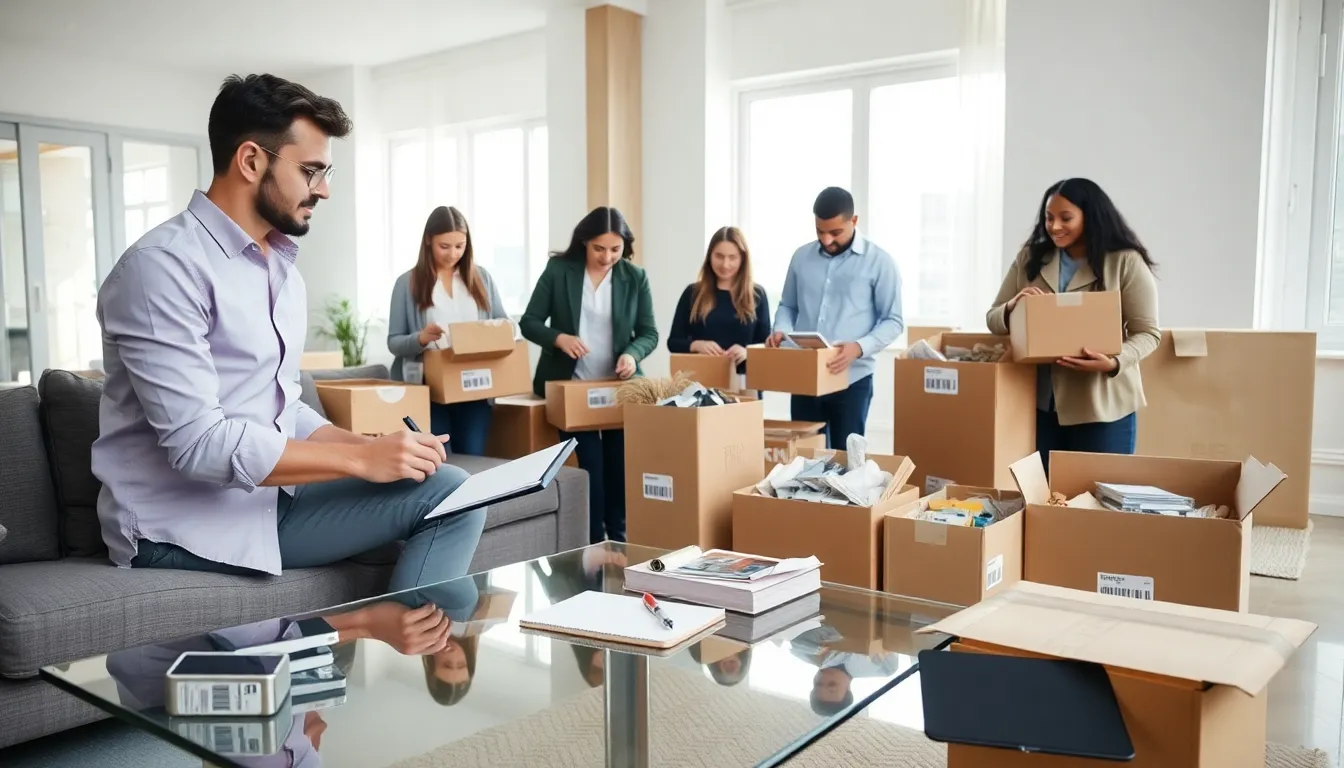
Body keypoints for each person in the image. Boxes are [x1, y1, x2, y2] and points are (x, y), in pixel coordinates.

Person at [91, 74, 486, 600]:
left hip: (267, 500)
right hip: (179, 529)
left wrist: (377, 447)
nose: (323, 189)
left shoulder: (280, 272)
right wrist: (360, 461)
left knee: (446, 487)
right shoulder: (160, 270)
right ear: (252, 161)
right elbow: (199, 445)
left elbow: (285, 407)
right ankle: (413, 639)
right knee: (446, 496)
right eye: (311, 171)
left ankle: (409, 637)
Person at [986, 178, 1159, 474]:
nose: (1054, 227)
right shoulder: (1030, 258)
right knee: (1042, 496)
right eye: (1049, 218)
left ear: (1090, 217)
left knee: (1097, 498)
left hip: (1102, 403)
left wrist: (1114, 362)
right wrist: (1014, 306)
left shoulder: (1124, 261)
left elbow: (1149, 333)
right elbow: (993, 319)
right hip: (1039, 405)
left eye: (1066, 218)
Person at [520, 206, 658, 543]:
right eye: (599, 249)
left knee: (619, 468)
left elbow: (649, 333)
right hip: (573, 390)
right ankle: (592, 542)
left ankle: (619, 540)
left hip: (619, 389)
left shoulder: (634, 277)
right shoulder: (559, 270)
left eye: (615, 249)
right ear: (584, 242)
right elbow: (529, 322)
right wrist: (559, 338)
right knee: (590, 468)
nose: (607, 257)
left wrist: (631, 354)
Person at [767, 187, 903, 449]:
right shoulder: (800, 257)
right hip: (805, 376)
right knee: (804, 460)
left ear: (854, 221)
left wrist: (858, 348)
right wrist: (781, 329)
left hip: (852, 378)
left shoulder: (880, 262)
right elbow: (787, 305)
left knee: (847, 463)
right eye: (820, 231)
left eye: (835, 232)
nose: (827, 239)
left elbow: (893, 320)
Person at [387, 205, 510, 455]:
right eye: (445, 246)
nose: (453, 253)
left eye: (459, 246)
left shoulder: (481, 278)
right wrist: (420, 338)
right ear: (429, 240)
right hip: (429, 391)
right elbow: (394, 342)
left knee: (474, 460)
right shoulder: (407, 283)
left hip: (475, 388)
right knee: (439, 462)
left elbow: (504, 324)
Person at [667, 226, 771, 374]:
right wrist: (697, 345)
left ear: (742, 259)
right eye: (719, 256)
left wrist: (747, 352)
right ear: (710, 256)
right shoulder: (692, 293)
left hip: (745, 383)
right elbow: (673, 342)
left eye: (732, 257)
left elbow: (766, 346)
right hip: (701, 383)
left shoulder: (757, 295)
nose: (725, 264)